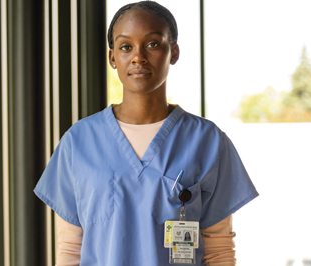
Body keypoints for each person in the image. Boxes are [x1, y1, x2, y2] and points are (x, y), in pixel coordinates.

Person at [33, 1, 259, 265]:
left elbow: (219, 250)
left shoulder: (208, 141)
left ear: (173, 52)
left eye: (152, 44)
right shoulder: (78, 141)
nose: (138, 57)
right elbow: (70, 250)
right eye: (126, 47)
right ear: (112, 58)